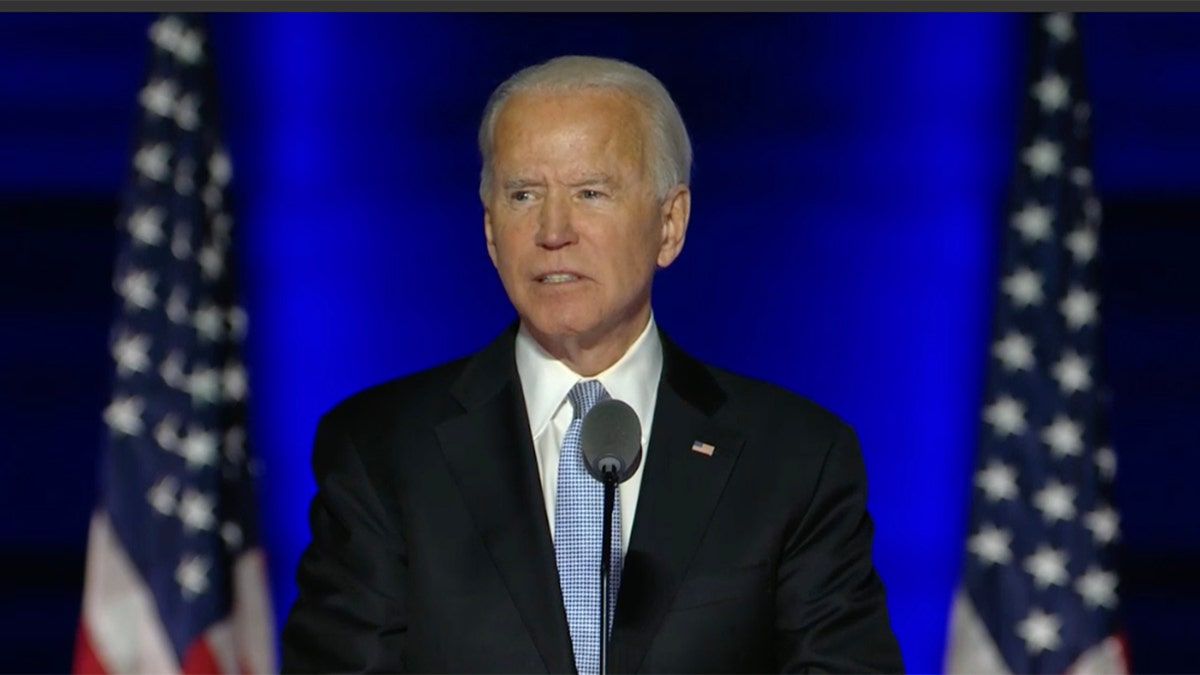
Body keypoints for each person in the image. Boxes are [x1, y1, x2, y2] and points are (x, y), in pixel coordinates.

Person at [280, 54, 903, 674]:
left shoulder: (796, 458)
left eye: (590, 192)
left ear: (669, 224)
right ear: (492, 232)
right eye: (523, 194)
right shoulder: (381, 449)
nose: (553, 230)